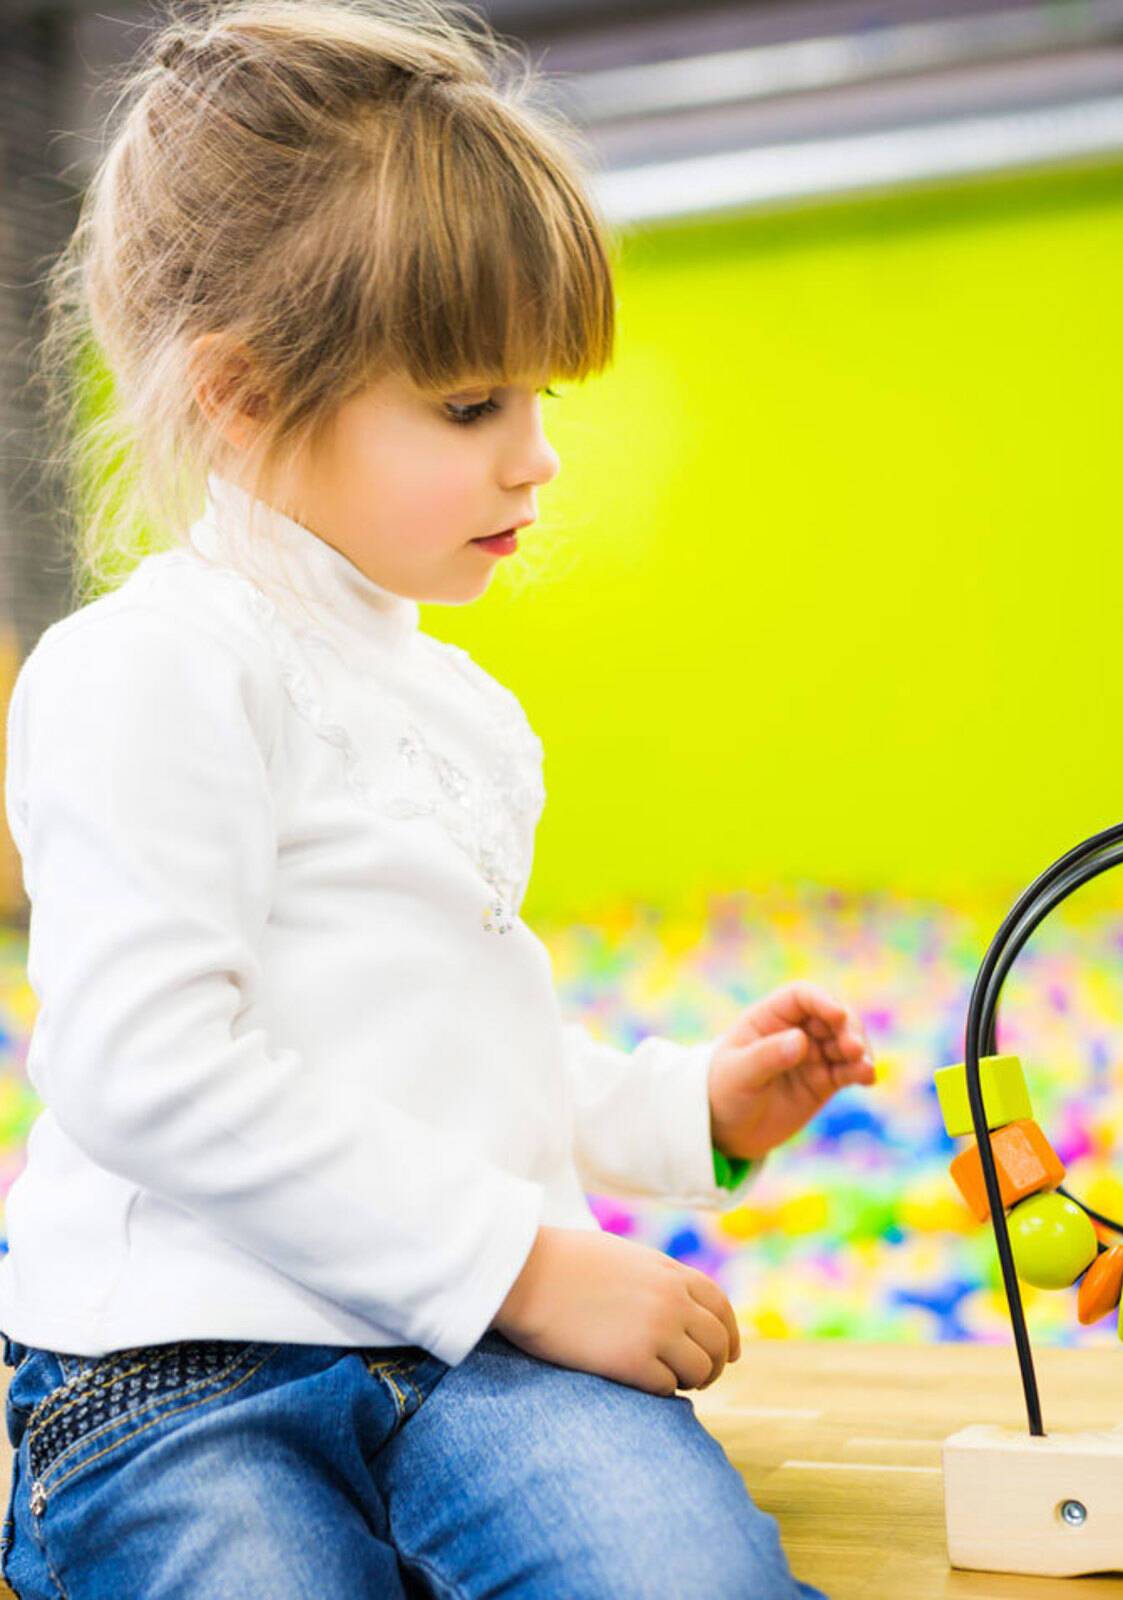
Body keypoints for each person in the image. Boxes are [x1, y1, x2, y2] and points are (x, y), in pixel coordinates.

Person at [0, 2, 875, 1593]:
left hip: (476, 1351)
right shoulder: (146, 669)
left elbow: (441, 1047)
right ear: (246, 395)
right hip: (188, 1369)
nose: (536, 460)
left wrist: (677, 1112)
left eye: (540, 401)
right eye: (472, 409)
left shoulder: (461, 709)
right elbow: (144, 1066)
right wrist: (523, 1265)